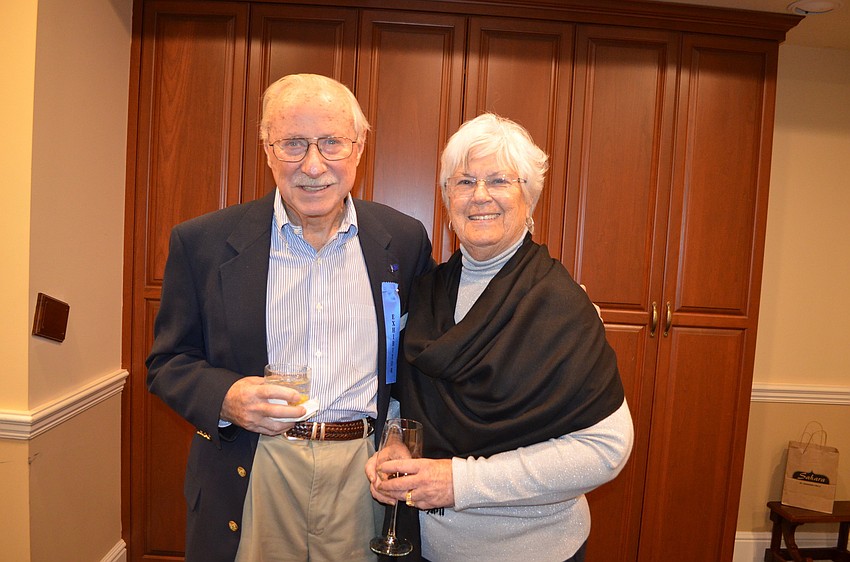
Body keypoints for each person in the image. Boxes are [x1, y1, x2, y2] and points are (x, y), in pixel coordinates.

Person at [146, 73, 433, 562]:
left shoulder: (403, 241)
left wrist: (400, 437)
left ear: (359, 147)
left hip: (361, 475)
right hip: (255, 467)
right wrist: (227, 397)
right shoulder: (204, 244)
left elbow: (416, 363)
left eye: (331, 143)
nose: (313, 165)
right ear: (267, 148)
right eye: (294, 144)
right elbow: (168, 362)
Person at [366, 113, 634, 562]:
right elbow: (402, 399)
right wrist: (393, 440)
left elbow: (605, 449)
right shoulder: (427, 293)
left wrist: (461, 482)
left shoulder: (563, 306)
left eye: (499, 181)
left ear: (528, 197)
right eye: (464, 181)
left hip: (535, 549)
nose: (480, 196)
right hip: (425, 545)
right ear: (447, 197)